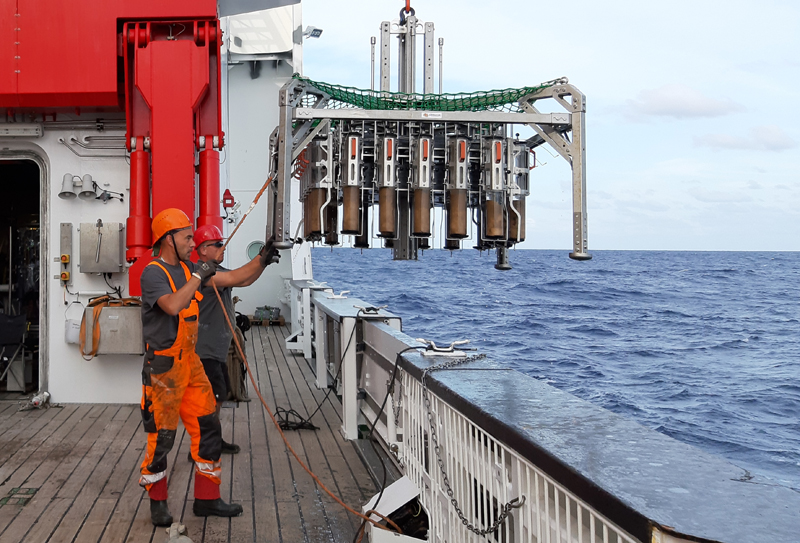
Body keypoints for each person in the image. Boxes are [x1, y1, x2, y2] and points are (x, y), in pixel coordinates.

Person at [138, 208, 243, 526]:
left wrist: (263, 258)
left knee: (209, 427)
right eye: (185, 236)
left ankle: (207, 499)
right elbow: (171, 305)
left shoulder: (188, 268)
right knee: (162, 437)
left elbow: (234, 277)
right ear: (168, 239)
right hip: (164, 369)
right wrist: (199, 274)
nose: (190, 241)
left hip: (191, 364)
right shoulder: (153, 273)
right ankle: (158, 502)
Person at [193, 224, 279, 455]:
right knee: (211, 399)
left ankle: (213, 441)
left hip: (216, 348)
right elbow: (236, 277)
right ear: (202, 250)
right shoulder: (201, 273)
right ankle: (204, 447)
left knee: (218, 397)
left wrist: (264, 263)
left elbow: (244, 280)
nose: (223, 247)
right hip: (205, 350)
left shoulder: (214, 271)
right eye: (217, 244)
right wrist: (261, 258)